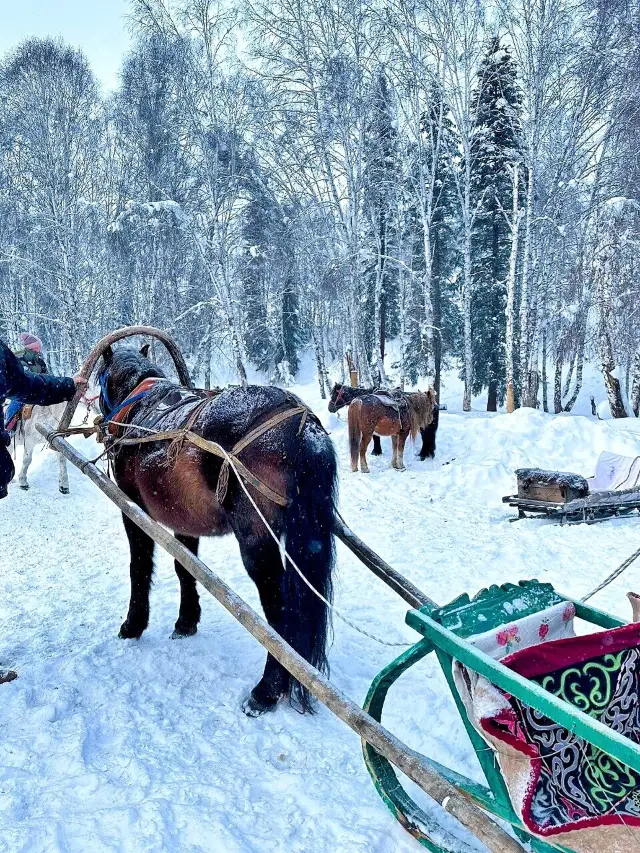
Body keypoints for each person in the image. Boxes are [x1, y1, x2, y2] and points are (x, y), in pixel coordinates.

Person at [0, 335, 88, 684]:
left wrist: (66, 385)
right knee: (12, 411)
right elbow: (22, 386)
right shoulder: (15, 357)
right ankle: (12, 427)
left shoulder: (22, 359)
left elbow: (24, 381)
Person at [4, 333, 49, 432]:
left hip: (39, 390)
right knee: (17, 402)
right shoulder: (19, 358)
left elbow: (47, 376)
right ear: (33, 347)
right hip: (21, 390)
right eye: (37, 346)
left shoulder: (40, 361)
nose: (39, 349)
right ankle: (8, 427)